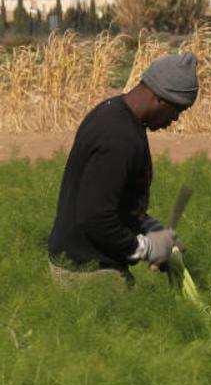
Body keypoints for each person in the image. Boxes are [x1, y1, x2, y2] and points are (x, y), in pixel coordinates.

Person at [47, 52, 199, 286]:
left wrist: (151, 229)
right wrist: (146, 248)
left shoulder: (115, 112)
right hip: (87, 273)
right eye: (177, 110)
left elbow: (115, 201)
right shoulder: (118, 139)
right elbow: (96, 217)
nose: (176, 119)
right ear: (160, 98)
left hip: (84, 262)